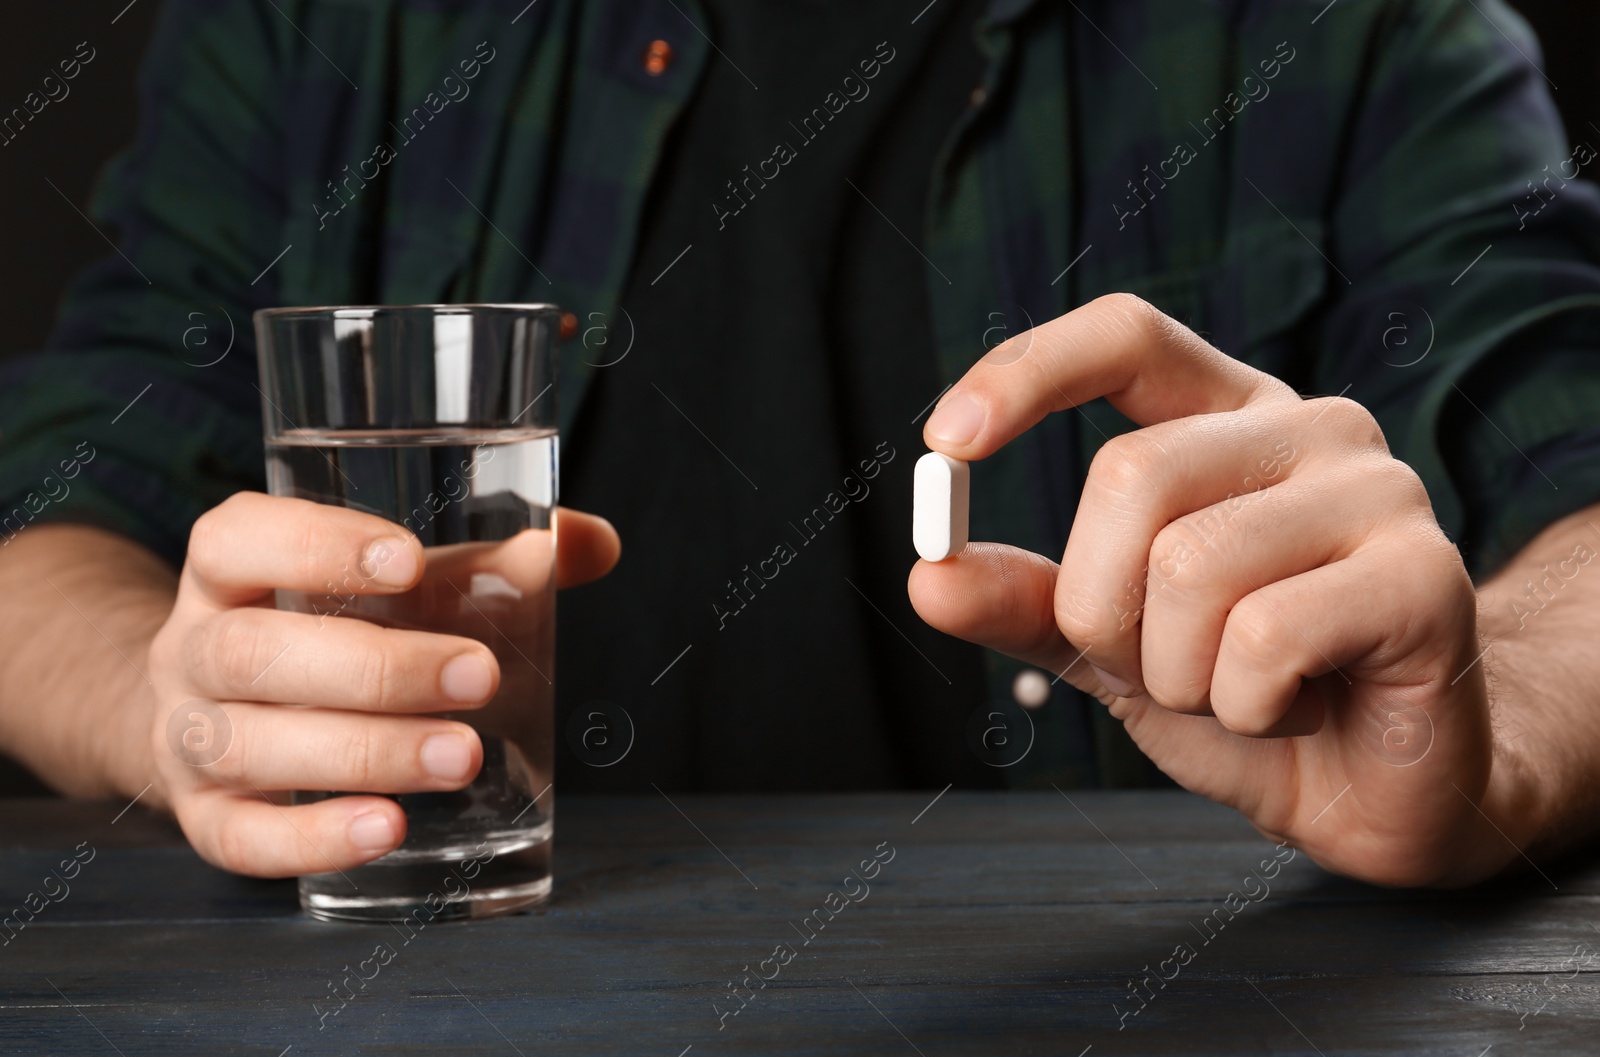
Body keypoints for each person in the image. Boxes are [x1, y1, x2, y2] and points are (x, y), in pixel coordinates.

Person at [1, 0, 1598, 890]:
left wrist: (1495, 730)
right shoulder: (327, 30)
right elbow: (54, 509)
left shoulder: (1351, 31)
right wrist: (172, 699)